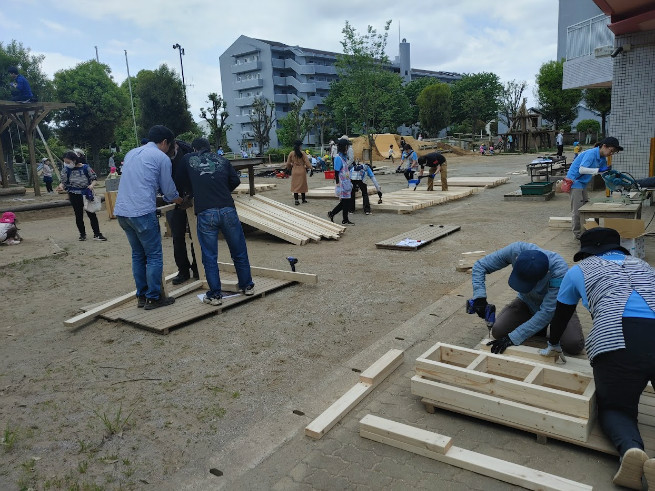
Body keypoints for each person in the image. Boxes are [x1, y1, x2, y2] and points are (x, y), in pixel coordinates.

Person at [541, 227, 655, 489]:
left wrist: (553, 344)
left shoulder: (578, 271)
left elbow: (561, 316)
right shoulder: (642, 264)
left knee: (616, 408)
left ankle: (630, 451)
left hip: (617, 338)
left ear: (587, 252)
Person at [470, 242, 584, 355]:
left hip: (556, 307)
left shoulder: (559, 271)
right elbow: (480, 266)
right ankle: (538, 327)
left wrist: (513, 338)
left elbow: (547, 312)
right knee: (498, 330)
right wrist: (479, 297)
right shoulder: (515, 251)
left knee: (573, 344)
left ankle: (542, 327)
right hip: (527, 302)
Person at [113, 125, 183, 310]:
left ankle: (142, 296)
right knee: (153, 255)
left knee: (138, 254)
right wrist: (179, 199)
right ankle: (154, 298)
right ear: (165, 142)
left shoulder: (131, 153)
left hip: (122, 211)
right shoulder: (161, 157)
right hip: (142, 211)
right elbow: (168, 191)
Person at [180, 137, 255, 306]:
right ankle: (247, 286)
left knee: (209, 255)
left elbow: (180, 179)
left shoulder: (188, 159)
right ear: (209, 148)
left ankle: (215, 295)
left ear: (194, 149)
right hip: (228, 209)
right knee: (239, 250)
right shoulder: (222, 159)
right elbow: (235, 180)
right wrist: (222, 190)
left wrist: (193, 192)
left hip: (206, 211)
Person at [566, 136, 622, 239]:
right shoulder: (591, 154)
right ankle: (578, 235)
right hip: (574, 182)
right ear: (604, 146)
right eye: (611, 150)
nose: (611, 153)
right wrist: (598, 170)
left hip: (582, 183)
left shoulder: (602, 158)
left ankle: (589, 230)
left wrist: (614, 179)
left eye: (613, 152)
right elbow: (582, 170)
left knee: (587, 207)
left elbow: (604, 174)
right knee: (578, 210)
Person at [55, 151, 107, 242]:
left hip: (86, 194)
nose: (66, 164)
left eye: (68, 162)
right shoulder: (66, 170)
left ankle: (97, 234)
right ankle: (82, 234)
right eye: (65, 162)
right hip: (74, 195)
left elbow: (94, 179)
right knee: (78, 215)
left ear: (74, 160)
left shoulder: (85, 167)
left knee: (92, 214)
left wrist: (91, 186)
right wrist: (61, 187)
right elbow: (63, 182)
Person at [166, 140, 198, 286]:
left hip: (190, 198)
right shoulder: (161, 155)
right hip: (173, 200)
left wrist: (190, 194)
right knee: (177, 236)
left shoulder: (189, 152)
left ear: (174, 145)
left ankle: (198, 268)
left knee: (196, 235)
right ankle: (183, 271)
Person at [327, 138, 354, 225]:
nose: (347, 148)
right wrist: (338, 185)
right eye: (346, 146)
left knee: (344, 202)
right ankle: (344, 219)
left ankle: (332, 213)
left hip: (346, 183)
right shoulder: (338, 158)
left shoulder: (344, 157)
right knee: (345, 202)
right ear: (343, 147)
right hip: (342, 184)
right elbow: (336, 172)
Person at [286, 140, 312, 205]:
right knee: (303, 185)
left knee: (295, 185)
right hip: (302, 170)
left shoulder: (291, 153)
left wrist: (289, 168)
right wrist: (311, 168)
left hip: (294, 170)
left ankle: (296, 200)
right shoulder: (302, 153)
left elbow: (288, 163)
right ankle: (303, 199)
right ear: (300, 146)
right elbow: (307, 162)